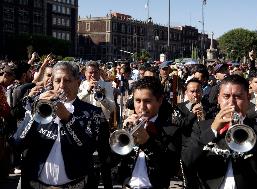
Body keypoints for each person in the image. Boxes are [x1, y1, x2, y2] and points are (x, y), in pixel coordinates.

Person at [9, 61, 113, 189]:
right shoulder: (39, 107)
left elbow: (91, 151)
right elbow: (16, 143)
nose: (62, 86)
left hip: (77, 184)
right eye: (57, 81)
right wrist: (33, 112)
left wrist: (67, 118)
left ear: (78, 83)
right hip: (35, 184)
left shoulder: (94, 113)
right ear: (52, 82)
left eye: (68, 80)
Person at [182, 74, 257, 189]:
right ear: (218, 98)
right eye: (226, 96)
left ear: (248, 98)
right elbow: (187, 161)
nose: (231, 103)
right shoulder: (201, 127)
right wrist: (212, 130)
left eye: (238, 97)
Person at [117, 77, 180, 189]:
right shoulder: (129, 125)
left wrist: (147, 142)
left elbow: (171, 168)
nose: (141, 107)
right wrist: (122, 134)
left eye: (147, 101)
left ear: (160, 101)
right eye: (138, 101)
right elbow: (112, 162)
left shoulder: (171, 130)